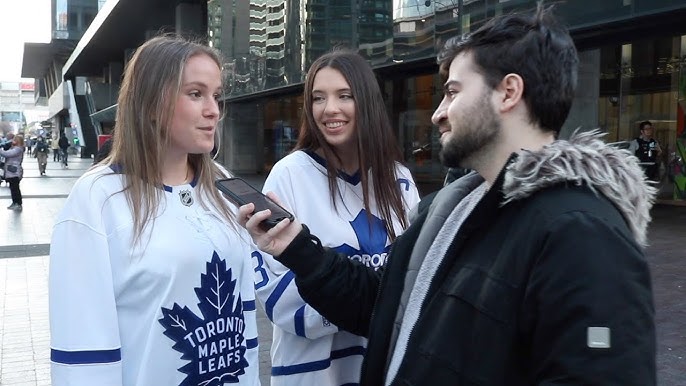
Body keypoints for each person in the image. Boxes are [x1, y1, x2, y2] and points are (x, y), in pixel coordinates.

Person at [238, 4, 657, 385]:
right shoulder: (446, 209)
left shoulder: (584, 232)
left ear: (508, 92)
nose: (438, 112)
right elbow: (377, 301)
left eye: (454, 92)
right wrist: (297, 249)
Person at [49, 35, 261, 386]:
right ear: (150, 103)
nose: (214, 110)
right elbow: (83, 350)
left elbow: (247, 322)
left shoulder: (223, 186)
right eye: (196, 94)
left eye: (216, 96)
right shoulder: (98, 199)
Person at [254, 49, 421, 386]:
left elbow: (414, 279)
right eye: (318, 98)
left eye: (344, 95)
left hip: (382, 367)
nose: (329, 109)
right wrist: (370, 308)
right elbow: (277, 297)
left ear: (367, 102)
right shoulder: (289, 176)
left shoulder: (397, 177)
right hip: (313, 372)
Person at [0, 134, 25, 210]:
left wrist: (0, 150)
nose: (12, 141)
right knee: (13, 188)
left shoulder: (18, 149)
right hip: (11, 171)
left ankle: (18, 203)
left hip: (14, 171)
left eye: (14, 140)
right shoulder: (14, 148)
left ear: (17, 141)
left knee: (15, 189)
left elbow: (7, 154)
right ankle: (15, 202)